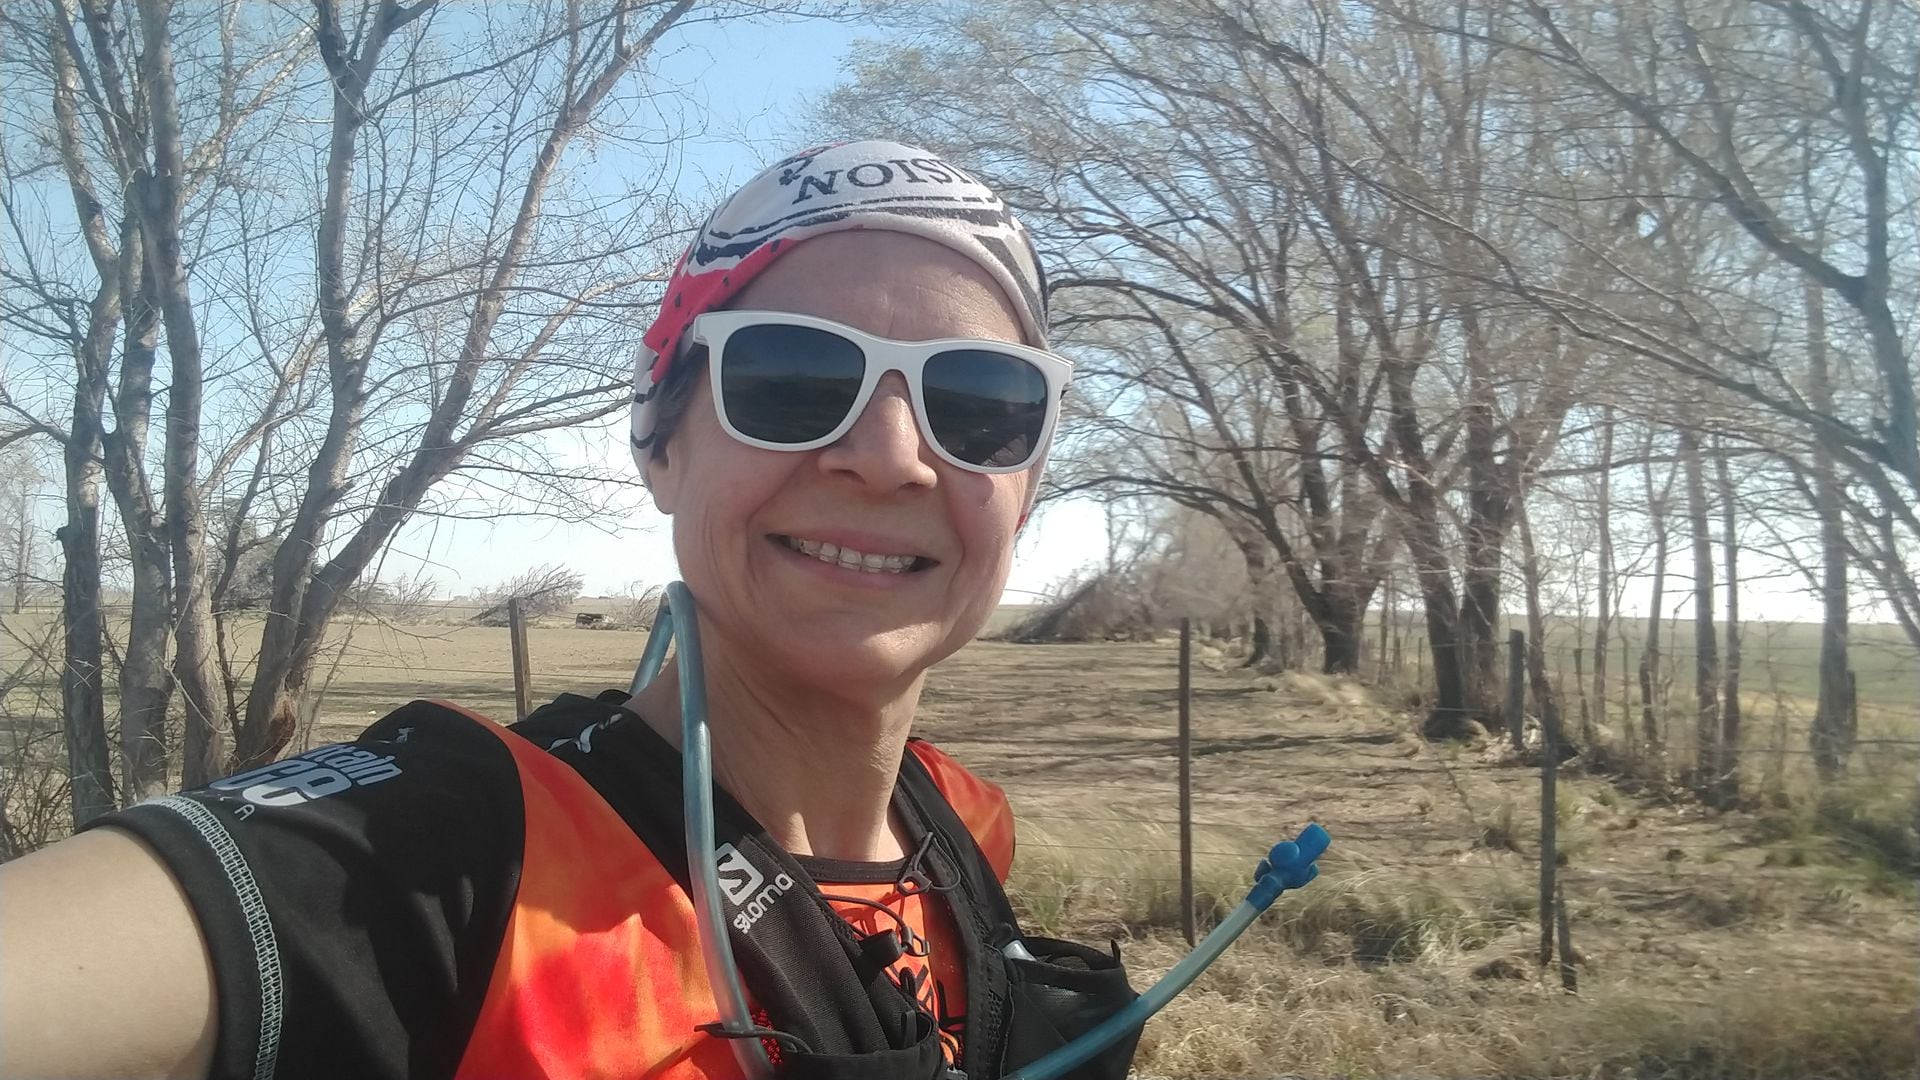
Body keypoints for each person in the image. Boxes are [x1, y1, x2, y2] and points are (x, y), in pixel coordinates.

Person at [0, 140, 1141, 1080]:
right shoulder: (462, 858)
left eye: (980, 402)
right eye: (792, 378)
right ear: (657, 439)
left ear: (1028, 481)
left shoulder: (960, 820)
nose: (891, 457)